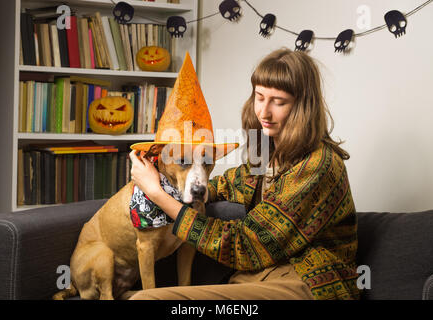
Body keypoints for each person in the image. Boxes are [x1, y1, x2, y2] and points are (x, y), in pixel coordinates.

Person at [128, 47, 360, 300]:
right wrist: (168, 182)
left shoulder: (319, 165)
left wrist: (158, 195)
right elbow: (228, 184)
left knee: (146, 299)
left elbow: (247, 244)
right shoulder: (267, 151)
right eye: (259, 97)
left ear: (303, 106)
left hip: (309, 281)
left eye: (278, 102)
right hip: (261, 273)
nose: (264, 112)